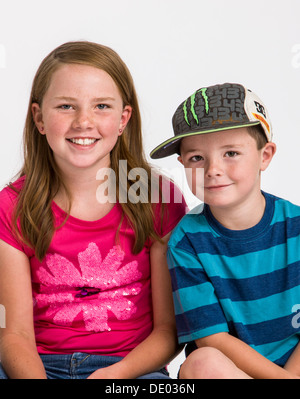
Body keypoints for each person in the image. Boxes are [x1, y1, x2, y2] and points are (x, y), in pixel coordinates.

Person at [0, 41, 187, 379]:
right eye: (66, 106)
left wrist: (115, 375)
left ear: (123, 119)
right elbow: (15, 333)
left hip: (131, 370)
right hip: (36, 367)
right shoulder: (12, 206)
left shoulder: (157, 197)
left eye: (101, 106)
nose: (83, 121)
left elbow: (169, 329)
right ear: (39, 118)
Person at [150, 82, 300, 379]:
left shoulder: (295, 226)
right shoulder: (187, 242)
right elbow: (211, 338)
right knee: (203, 361)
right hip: (231, 372)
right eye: (196, 158)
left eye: (230, 153)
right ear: (182, 164)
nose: (212, 169)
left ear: (265, 155)